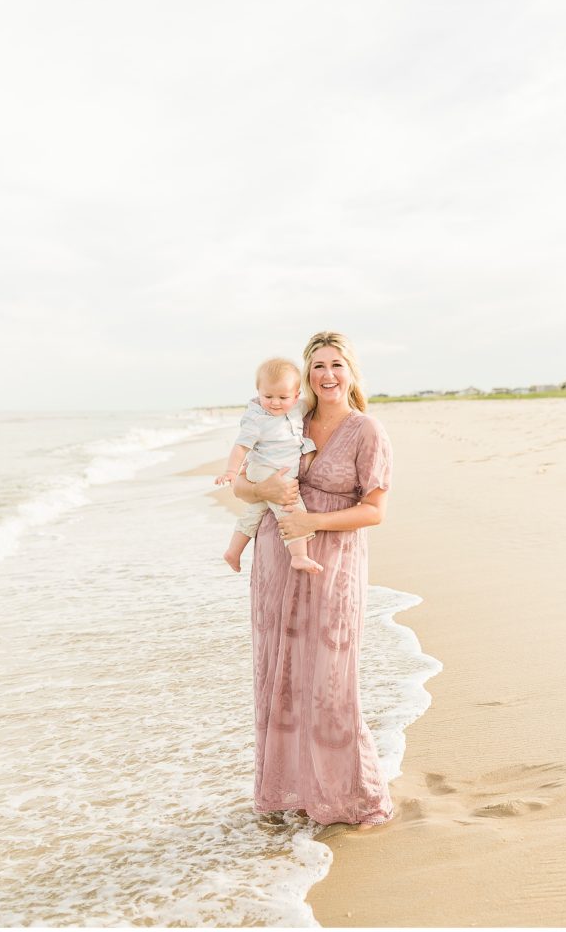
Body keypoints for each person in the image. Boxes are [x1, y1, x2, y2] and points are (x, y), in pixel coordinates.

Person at [233, 331, 395, 828]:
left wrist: (312, 523)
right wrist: (262, 486)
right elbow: (243, 486)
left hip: (333, 566)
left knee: (329, 679)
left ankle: (351, 796)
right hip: (276, 560)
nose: (327, 375)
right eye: (318, 366)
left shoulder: (366, 430)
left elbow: (374, 511)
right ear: (306, 375)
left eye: (336, 365)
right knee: (281, 675)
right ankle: (294, 791)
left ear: (351, 373)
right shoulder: (286, 419)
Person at [215, 358, 323, 575]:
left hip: (278, 470)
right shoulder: (256, 419)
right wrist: (231, 471)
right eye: (268, 396)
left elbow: (314, 400)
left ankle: (233, 551)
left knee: (256, 510)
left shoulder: (296, 407)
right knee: (289, 505)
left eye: (283, 397)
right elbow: (240, 447)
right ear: (258, 391)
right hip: (264, 468)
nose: (275, 403)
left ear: (295, 396)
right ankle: (299, 556)